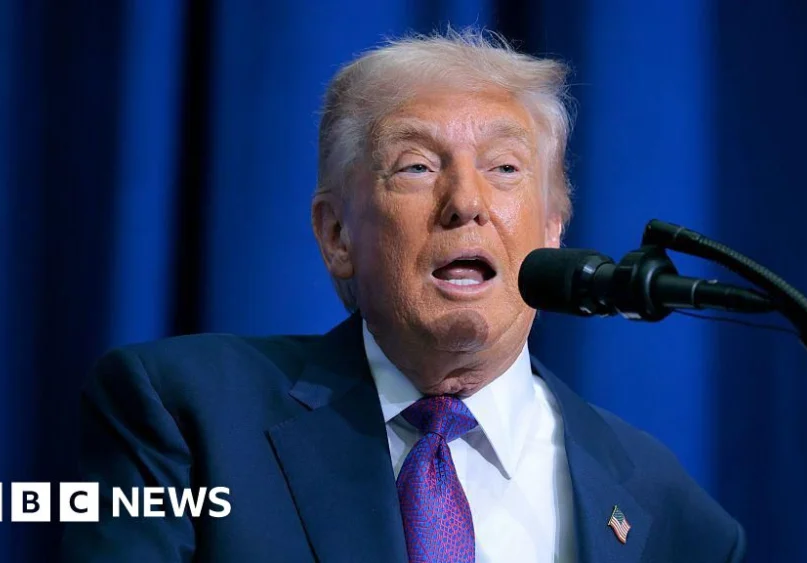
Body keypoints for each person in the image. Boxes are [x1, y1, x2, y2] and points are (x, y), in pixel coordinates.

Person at [61, 29, 746, 563]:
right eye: (416, 166)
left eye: (505, 167)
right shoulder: (182, 413)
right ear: (336, 234)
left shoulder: (675, 512)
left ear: (553, 230)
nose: (466, 202)